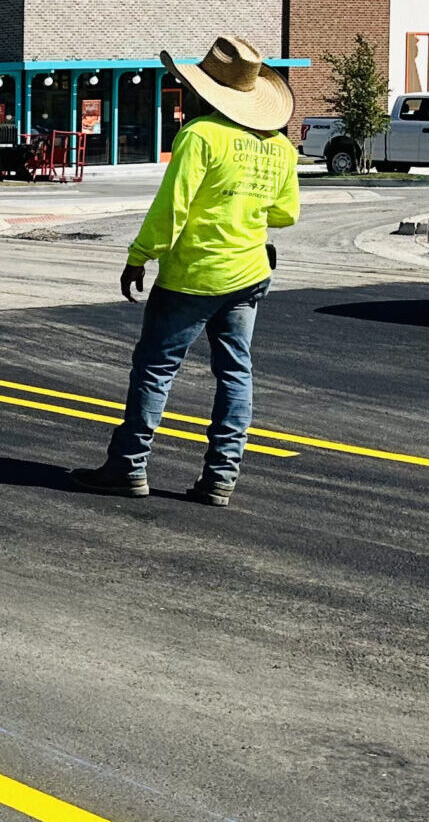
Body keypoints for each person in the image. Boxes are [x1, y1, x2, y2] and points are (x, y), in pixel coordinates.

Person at [72, 35, 300, 507]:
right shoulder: (279, 147)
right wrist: (243, 207)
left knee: (156, 370)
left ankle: (128, 466)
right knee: (235, 373)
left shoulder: (199, 135)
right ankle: (220, 478)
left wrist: (139, 255)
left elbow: (171, 209)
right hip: (250, 271)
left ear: (206, 91)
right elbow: (285, 213)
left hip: (193, 276)